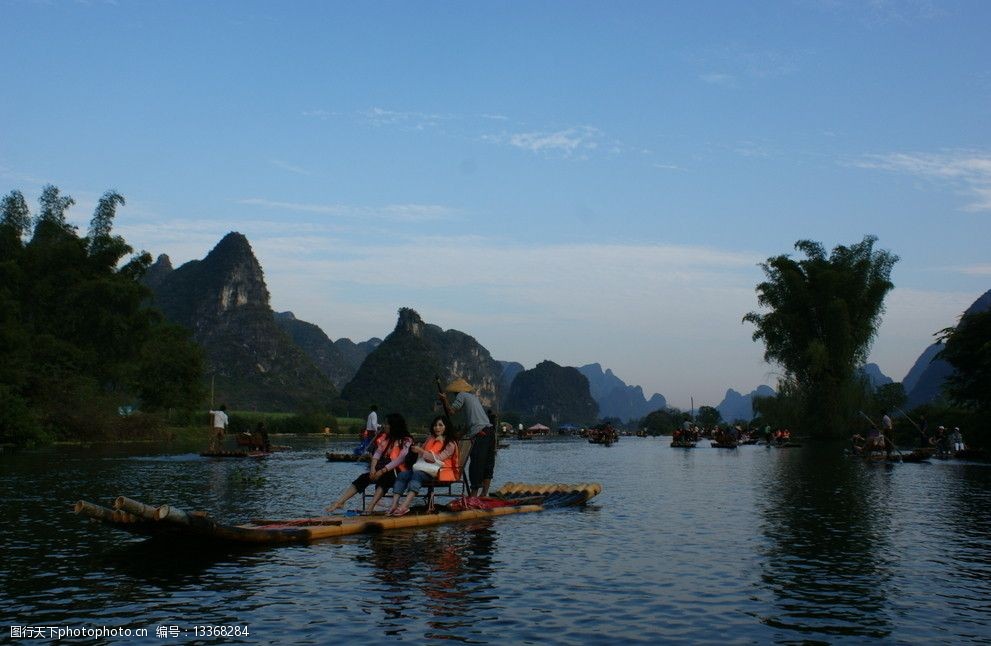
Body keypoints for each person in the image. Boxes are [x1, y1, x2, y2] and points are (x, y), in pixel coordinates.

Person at [325, 413, 412, 514]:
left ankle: (370, 506)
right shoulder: (386, 439)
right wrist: (372, 469)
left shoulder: (407, 440)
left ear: (394, 425)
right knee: (364, 477)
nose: (385, 426)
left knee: (386, 478)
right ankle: (340, 502)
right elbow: (376, 455)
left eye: (387, 424)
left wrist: (382, 471)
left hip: (398, 473)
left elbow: (400, 459)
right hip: (381, 470)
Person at [389, 415, 460, 516]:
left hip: (441, 472)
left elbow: (439, 458)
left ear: (446, 427)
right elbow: (421, 453)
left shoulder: (450, 444)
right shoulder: (430, 438)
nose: (437, 428)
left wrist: (421, 450)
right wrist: (416, 449)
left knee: (417, 475)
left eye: (441, 425)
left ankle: (404, 506)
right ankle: (394, 505)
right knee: (402, 475)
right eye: (435, 425)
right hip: (424, 469)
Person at [439, 378, 494, 497]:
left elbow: (452, 411)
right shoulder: (473, 399)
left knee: (476, 464)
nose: (454, 396)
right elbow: (468, 425)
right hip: (489, 431)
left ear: (456, 392)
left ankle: (473, 495)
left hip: (480, 433)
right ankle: (484, 494)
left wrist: (444, 400)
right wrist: (456, 437)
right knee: (487, 464)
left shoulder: (461, 395)